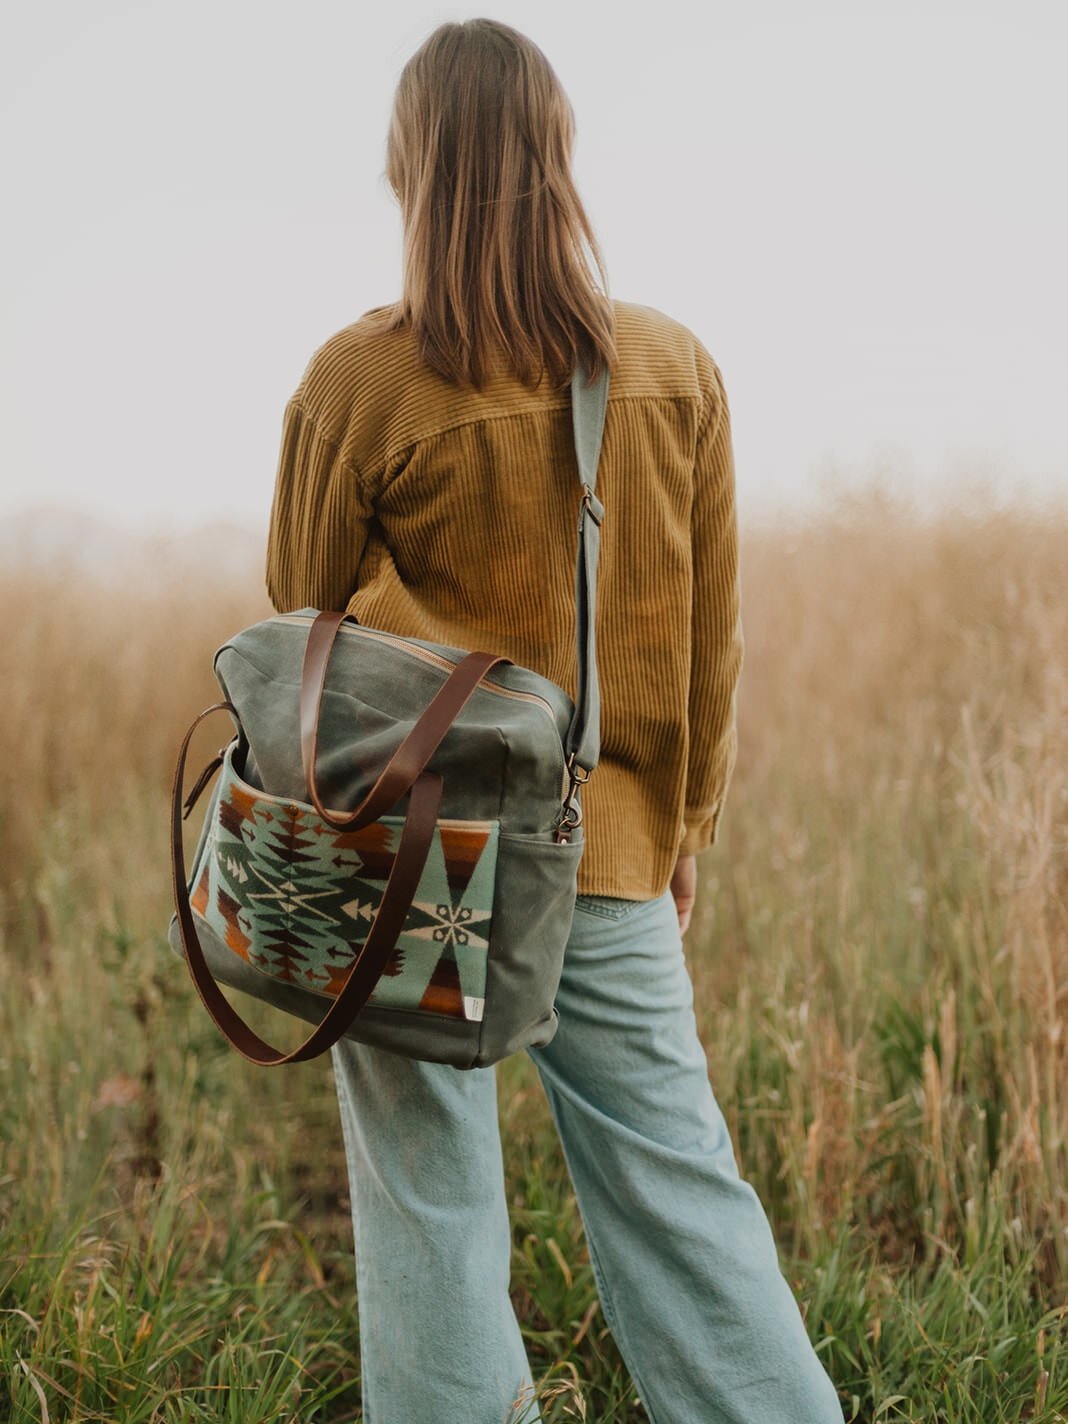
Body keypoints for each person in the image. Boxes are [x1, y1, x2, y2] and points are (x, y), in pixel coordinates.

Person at [265, 17, 843, 1424]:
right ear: (558, 159)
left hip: (413, 861)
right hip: (615, 849)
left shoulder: (367, 379)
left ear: (410, 169)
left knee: (429, 1203)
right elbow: (712, 639)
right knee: (676, 1182)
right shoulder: (674, 369)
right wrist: (682, 824)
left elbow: (298, 619)